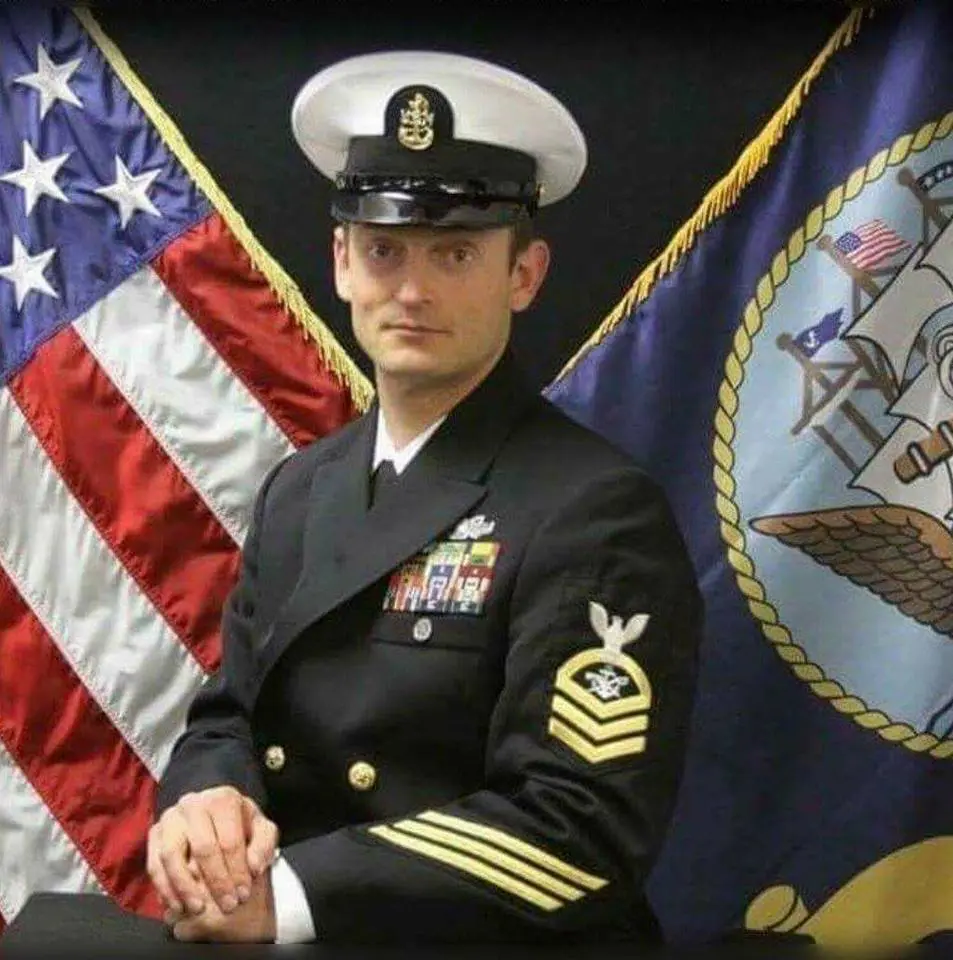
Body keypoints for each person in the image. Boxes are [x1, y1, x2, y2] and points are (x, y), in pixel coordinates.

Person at [147, 49, 703, 945]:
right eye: (383, 249)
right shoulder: (303, 486)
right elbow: (229, 716)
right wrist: (209, 798)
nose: (410, 289)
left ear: (523, 275)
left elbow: (580, 828)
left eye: (454, 253)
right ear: (340, 261)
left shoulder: (594, 509)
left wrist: (287, 897)